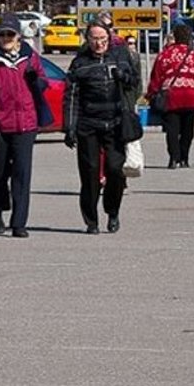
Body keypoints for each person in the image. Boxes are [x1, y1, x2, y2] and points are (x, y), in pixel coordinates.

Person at [0, 16, 50, 237]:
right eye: (2, 34)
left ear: (18, 36)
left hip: (26, 123)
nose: (6, 38)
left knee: (22, 173)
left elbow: (42, 82)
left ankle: (19, 223)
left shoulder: (29, 56)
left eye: (10, 34)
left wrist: (37, 80)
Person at [63, 22, 139, 233]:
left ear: (109, 38)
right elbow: (71, 96)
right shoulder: (80, 64)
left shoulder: (119, 57)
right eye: (95, 39)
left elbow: (134, 82)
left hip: (114, 124)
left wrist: (123, 77)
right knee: (90, 174)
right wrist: (69, 127)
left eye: (103, 39)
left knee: (116, 170)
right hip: (88, 125)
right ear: (88, 40)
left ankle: (112, 211)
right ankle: (91, 220)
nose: (99, 44)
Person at [147, 24, 194, 170]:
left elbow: (155, 78)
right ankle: (184, 158)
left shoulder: (164, 55)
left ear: (175, 37)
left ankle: (173, 158)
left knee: (172, 129)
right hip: (191, 98)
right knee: (187, 130)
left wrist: (151, 94)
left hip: (171, 97)